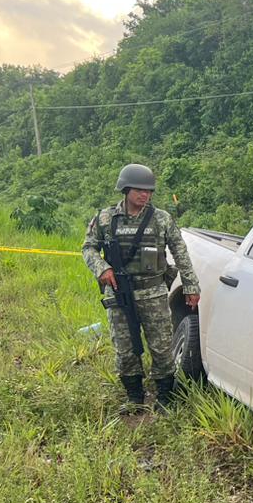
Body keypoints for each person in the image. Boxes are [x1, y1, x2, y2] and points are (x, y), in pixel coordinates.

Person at [82, 164, 199, 413]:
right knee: (124, 348)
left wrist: (190, 285)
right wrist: (102, 268)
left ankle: (165, 397)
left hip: (154, 292)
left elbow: (180, 252)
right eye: (139, 190)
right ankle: (134, 396)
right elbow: (88, 248)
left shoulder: (161, 219)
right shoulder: (105, 218)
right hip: (119, 293)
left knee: (162, 346)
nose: (145, 196)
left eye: (149, 191)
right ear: (125, 190)